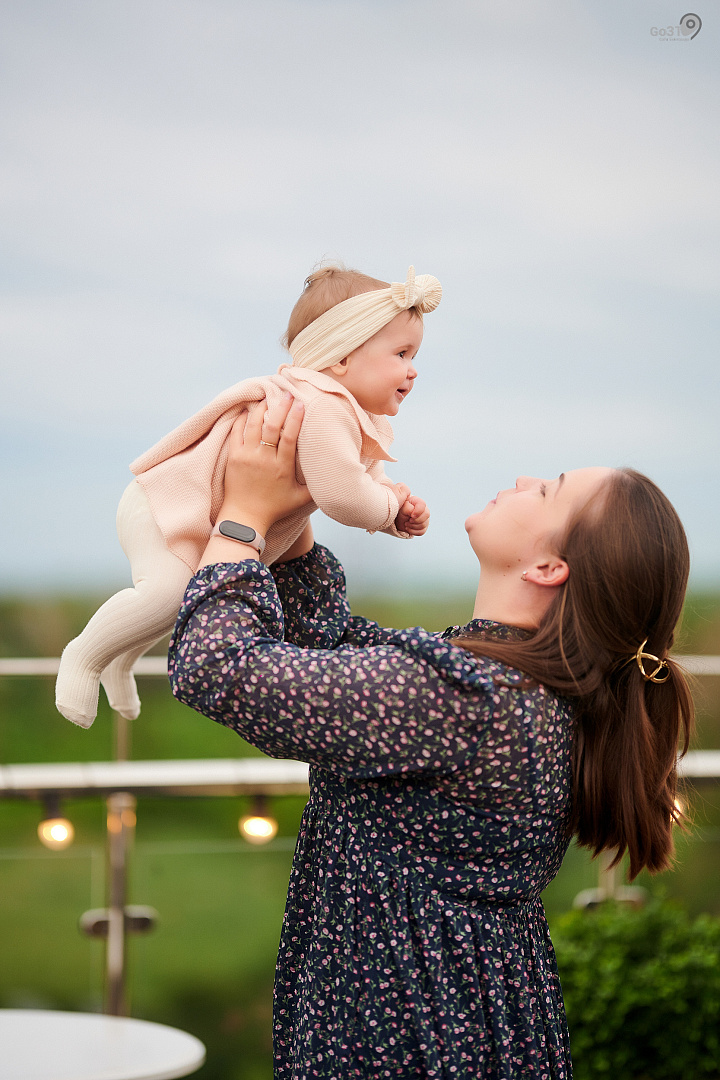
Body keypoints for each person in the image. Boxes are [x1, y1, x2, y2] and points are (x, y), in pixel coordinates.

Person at [169, 396, 694, 1080]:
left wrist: (243, 517)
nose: (524, 479)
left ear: (548, 568)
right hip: (463, 1019)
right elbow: (335, 649)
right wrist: (298, 514)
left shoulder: (468, 695)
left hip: (403, 1030)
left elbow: (217, 668)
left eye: (548, 490)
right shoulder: (509, 684)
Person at [55, 265, 441, 729]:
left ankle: (118, 662)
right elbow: (342, 494)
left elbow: (359, 475)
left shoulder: (343, 411)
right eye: (401, 353)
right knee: (167, 594)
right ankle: (83, 658)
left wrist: (389, 505)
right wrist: (388, 509)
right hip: (165, 505)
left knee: (175, 599)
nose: (413, 370)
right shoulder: (323, 406)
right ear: (340, 358)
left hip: (190, 510)